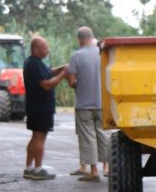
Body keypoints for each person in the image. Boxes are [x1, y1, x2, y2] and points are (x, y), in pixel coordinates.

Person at [66, 27, 109, 181]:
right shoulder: (103, 54)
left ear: (80, 40)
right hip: (102, 103)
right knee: (103, 134)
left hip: (84, 104)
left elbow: (71, 81)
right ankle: (108, 167)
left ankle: (93, 171)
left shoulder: (76, 56)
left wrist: (78, 84)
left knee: (87, 137)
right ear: (92, 37)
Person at [23, 37, 67, 180]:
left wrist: (62, 68)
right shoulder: (34, 64)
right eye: (44, 48)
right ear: (35, 49)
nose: (47, 50)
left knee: (35, 137)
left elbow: (49, 72)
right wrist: (64, 75)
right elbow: (47, 84)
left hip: (35, 107)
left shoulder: (34, 63)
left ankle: (29, 167)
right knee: (40, 137)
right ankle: (38, 169)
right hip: (40, 107)